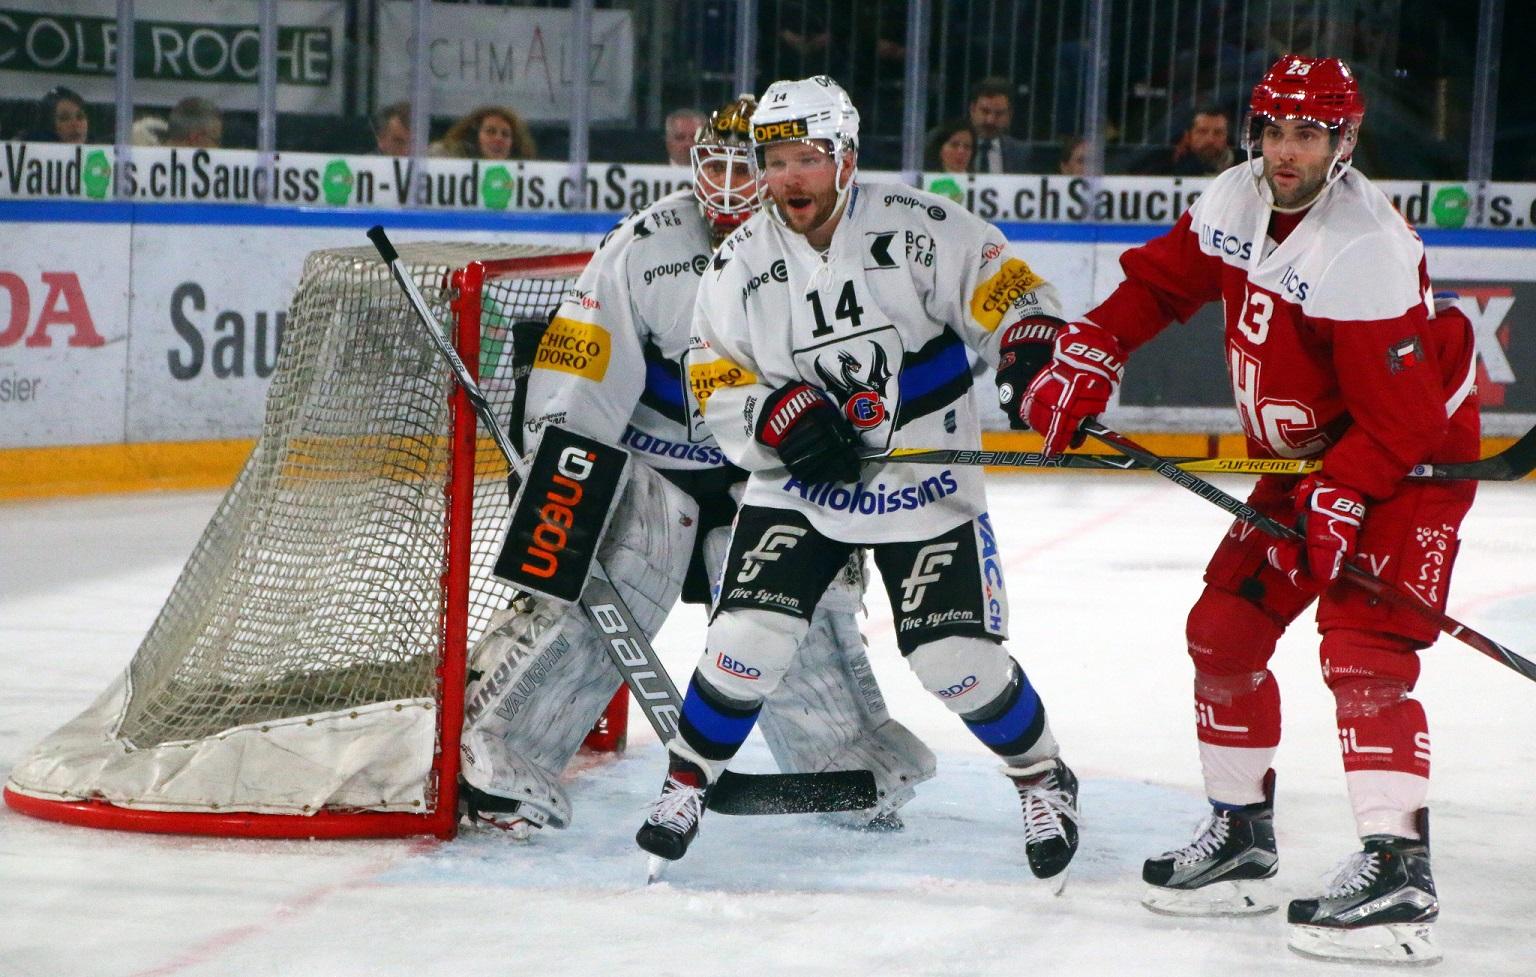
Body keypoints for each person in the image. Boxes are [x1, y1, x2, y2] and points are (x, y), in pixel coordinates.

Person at [1017, 55, 1478, 964]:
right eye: (1273, 130)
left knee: (1364, 650)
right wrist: (1093, 346)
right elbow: (1161, 285)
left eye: (1307, 134)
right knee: (1223, 630)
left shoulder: (1364, 244)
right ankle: (1241, 836)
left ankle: (1399, 868)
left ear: (1343, 142)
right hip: (1310, 461)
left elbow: (1404, 416)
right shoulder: (1236, 196)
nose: (1285, 151)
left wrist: (1343, 492)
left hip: (1406, 462)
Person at [634, 75, 1082, 885]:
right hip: (804, 485)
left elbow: (1010, 290)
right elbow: (713, 373)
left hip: (923, 483)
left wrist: (1031, 351)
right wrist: (774, 417)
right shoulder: (739, 261)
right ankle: (687, 782)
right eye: (775, 161)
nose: (788, 178)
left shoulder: (920, 227)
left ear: (845, 158)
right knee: (744, 640)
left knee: (955, 658)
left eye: (806, 158)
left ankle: (1042, 775)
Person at [458, 93, 935, 839]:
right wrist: (557, 472)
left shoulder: (837, 251)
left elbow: (873, 375)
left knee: (798, 598)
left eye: (749, 169)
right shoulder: (646, 244)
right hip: (654, 467)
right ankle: (497, 754)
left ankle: (844, 764)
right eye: (717, 166)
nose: (730, 187)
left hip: (769, 471)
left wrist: (852, 442)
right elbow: (583, 363)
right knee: (609, 576)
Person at [965, 77, 1030, 174]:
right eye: (985, 111)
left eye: (999, 113)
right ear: (972, 110)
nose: (990, 120)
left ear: (1009, 115)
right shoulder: (955, 148)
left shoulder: (1020, 153)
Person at [436, 105, 535, 160]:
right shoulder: (441, 158)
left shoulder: (526, 174)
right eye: (490, 132)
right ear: (474, 136)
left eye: (505, 134)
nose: (498, 139)